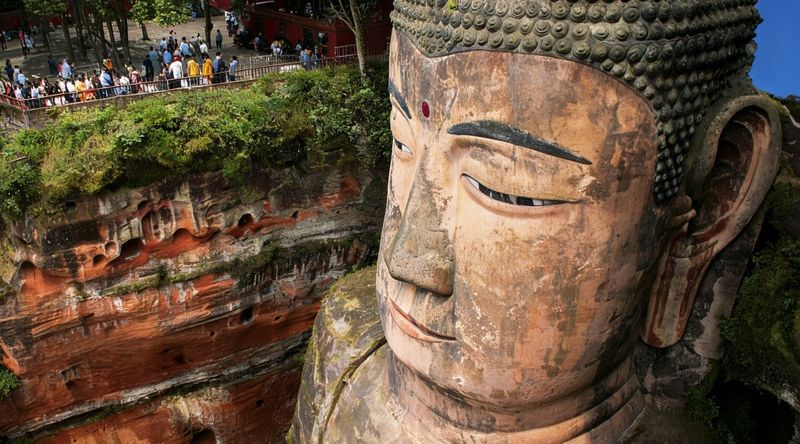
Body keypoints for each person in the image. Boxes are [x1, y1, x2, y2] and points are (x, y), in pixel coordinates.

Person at [289, 1, 784, 443]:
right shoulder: (343, 343)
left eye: (504, 189)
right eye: (401, 141)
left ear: (717, 201)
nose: (406, 261)